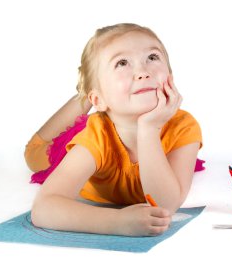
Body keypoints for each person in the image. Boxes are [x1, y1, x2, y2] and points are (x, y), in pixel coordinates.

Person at [24, 23, 202, 236]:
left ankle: (97, 91)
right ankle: (86, 95)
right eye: (122, 63)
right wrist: (117, 221)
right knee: (34, 154)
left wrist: (148, 129)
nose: (143, 71)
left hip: (113, 108)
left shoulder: (184, 126)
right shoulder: (95, 136)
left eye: (152, 58)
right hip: (84, 131)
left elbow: (166, 206)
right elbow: (44, 209)